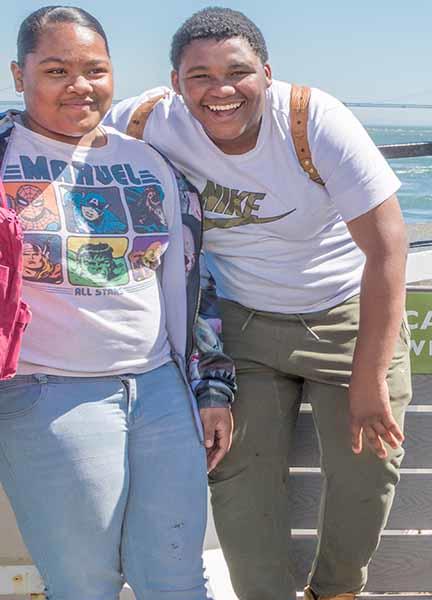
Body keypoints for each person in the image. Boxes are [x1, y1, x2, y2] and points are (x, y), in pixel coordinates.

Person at [105, 7, 412, 599]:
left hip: (346, 315)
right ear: (175, 83)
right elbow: (68, 140)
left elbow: (389, 247)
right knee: (238, 481)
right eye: (199, 76)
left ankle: (336, 591)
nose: (220, 90)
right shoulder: (146, 122)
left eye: (237, 72)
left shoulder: (312, 120)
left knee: (366, 473)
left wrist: (369, 377)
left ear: (267, 74)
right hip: (241, 323)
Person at [0, 6, 235, 598]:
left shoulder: (150, 162)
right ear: (18, 74)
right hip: (47, 394)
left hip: (160, 391)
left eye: (95, 70)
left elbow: (193, 283)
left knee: (177, 579)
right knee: (84, 584)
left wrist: (210, 389)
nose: (80, 85)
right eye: (56, 69)